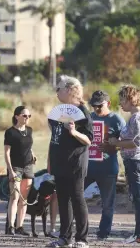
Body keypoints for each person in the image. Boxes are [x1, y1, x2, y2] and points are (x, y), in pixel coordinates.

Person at [47, 75, 92, 248]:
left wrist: (74, 133)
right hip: (60, 163)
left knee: (77, 198)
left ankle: (82, 239)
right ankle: (65, 238)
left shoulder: (83, 113)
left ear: (70, 90)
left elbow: (89, 139)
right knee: (63, 199)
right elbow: (54, 138)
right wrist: (50, 161)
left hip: (76, 163)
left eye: (59, 88)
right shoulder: (59, 112)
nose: (56, 91)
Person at [108, 85, 140, 245]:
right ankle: (138, 234)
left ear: (130, 99)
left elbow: (138, 141)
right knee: (138, 198)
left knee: (139, 199)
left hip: (137, 162)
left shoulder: (137, 117)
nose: (120, 104)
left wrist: (117, 142)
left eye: (122, 100)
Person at [86, 90, 126, 240]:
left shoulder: (117, 120)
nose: (96, 109)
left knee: (108, 203)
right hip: (88, 167)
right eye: (93, 106)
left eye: (99, 106)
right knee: (74, 196)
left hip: (108, 168)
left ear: (108, 103)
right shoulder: (89, 118)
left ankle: (103, 233)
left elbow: (126, 144)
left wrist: (112, 147)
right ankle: (75, 228)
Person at [4, 106, 35, 236]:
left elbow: (28, 146)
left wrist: (33, 154)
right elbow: (6, 152)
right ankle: (10, 226)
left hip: (28, 166)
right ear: (17, 116)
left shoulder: (29, 130)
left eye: (29, 116)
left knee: (24, 198)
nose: (27, 118)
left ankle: (19, 226)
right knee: (15, 196)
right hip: (15, 167)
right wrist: (11, 171)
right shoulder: (10, 132)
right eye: (24, 115)